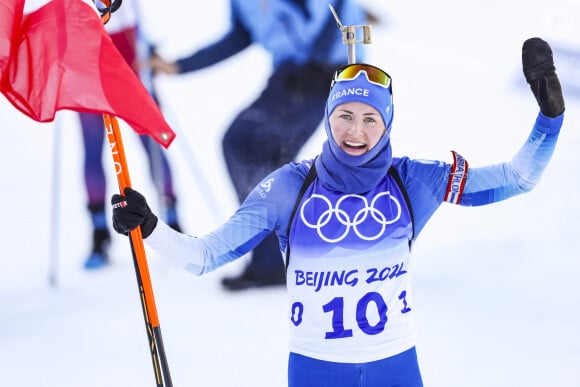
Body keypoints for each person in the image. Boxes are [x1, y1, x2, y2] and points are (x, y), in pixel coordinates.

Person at [110, 37, 564, 386]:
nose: (356, 131)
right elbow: (205, 256)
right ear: (327, 116)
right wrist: (150, 228)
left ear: (387, 125)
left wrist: (549, 117)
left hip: (396, 368)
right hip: (316, 370)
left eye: (371, 119)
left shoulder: (413, 180)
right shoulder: (289, 187)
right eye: (345, 114)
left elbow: (516, 179)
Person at [149, 0, 368, 290]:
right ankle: (283, 255)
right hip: (290, 76)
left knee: (245, 143)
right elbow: (239, 36)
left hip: (331, 73)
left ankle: (279, 257)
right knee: (262, 153)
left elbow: (337, 7)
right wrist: (178, 66)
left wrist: (318, 64)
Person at [81, 0, 181, 269]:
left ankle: (172, 219)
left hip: (125, 43)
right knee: (92, 145)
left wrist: (145, 46)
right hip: (86, 46)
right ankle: (99, 233)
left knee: (149, 137)